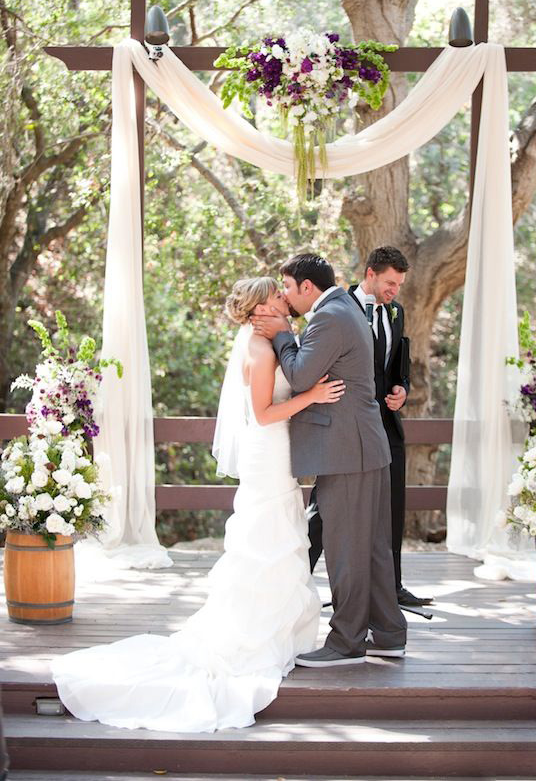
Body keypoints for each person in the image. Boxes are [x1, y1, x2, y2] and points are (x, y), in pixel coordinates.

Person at [51, 277, 345, 733]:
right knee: (266, 541)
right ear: (257, 311)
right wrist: (311, 396)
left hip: (275, 455)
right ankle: (252, 637)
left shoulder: (269, 342)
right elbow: (265, 414)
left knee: (280, 537)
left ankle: (278, 630)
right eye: (275, 299)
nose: (284, 302)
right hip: (267, 454)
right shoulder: (260, 350)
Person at [251, 253, 407, 667]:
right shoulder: (344, 308)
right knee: (371, 546)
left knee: (345, 550)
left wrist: (283, 334)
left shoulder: (330, 316)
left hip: (347, 451)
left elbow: (301, 375)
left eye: (286, 287)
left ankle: (347, 643)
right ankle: (389, 633)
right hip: (360, 447)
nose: (284, 296)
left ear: (307, 287)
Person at [307, 246, 433, 608]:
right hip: (346, 424)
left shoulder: (396, 312)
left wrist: (402, 390)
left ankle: (390, 588)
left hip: (386, 425)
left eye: (400, 284)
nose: (395, 291)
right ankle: (297, 580)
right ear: (370, 274)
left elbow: (398, 364)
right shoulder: (337, 309)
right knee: (323, 507)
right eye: (390, 282)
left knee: (390, 507)